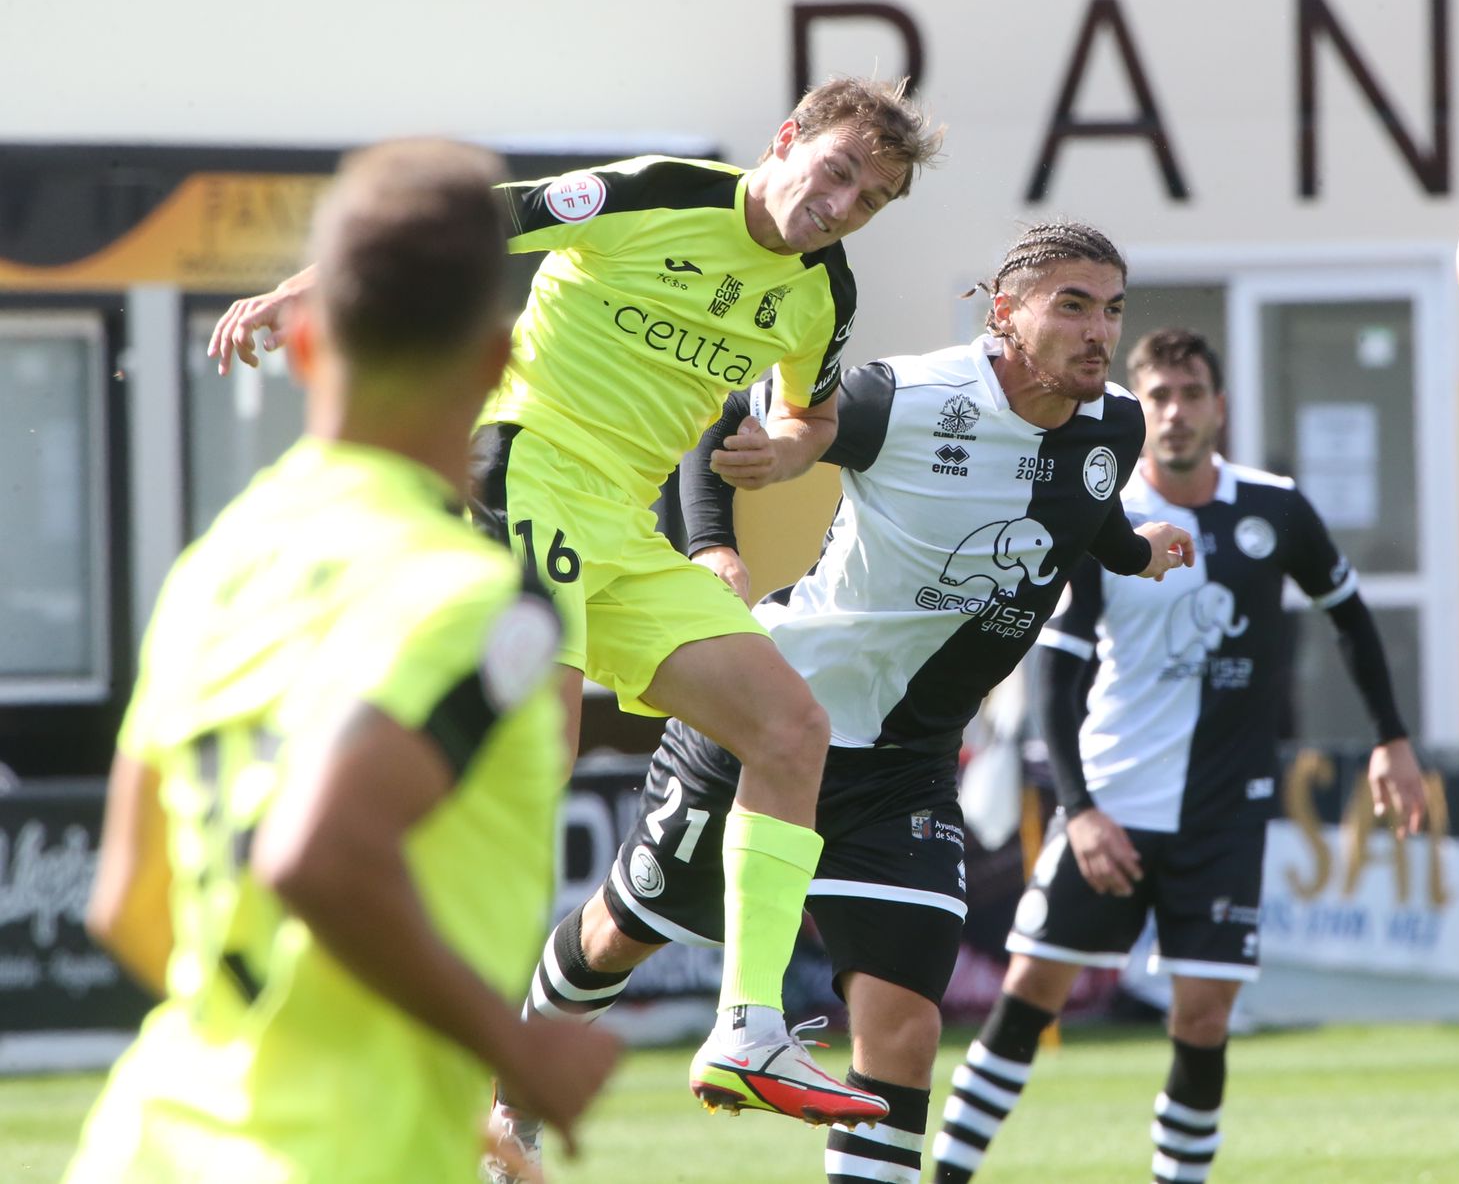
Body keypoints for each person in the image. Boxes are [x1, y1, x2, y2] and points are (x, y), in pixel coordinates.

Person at [207, 78, 945, 1133]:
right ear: (786, 140)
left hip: (623, 529)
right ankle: (357, 975)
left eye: (868, 199)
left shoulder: (820, 294)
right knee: (535, 746)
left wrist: (785, 450)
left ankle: (746, 1024)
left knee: (789, 725)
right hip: (524, 465)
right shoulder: (661, 192)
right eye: (835, 171)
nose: (839, 205)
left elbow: (813, 413)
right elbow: (471, 227)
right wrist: (303, 290)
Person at [500, 220, 1193, 1184]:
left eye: (1112, 309)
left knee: (903, 1030)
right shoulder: (904, 396)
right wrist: (710, 545)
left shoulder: (1114, 424)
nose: (1099, 332)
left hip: (908, 763)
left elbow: (1085, 507)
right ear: (1005, 314)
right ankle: (509, 1105)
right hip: (774, 721)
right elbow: (728, 421)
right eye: (1071, 305)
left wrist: (1135, 550)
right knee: (625, 930)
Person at [67, 140, 621, 1183]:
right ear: (498, 362)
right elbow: (317, 853)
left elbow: (130, 900)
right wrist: (515, 1052)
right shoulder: (481, 600)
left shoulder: (218, 562)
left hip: (150, 1141)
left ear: (309, 342)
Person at [931, 327, 1428, 1184]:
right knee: (1024, 1004)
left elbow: (1347, 611)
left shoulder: (1274, 510)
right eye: (1157, 396)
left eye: (1191, 394)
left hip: (1223, 815)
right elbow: (1055, 680)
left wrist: (1392, 738)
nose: (1175, 412)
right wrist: (1080, 813)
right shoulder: (1104, 519)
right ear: (1138, 408)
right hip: (1114, 808)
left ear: (1219, 407)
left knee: (1202, 1021)